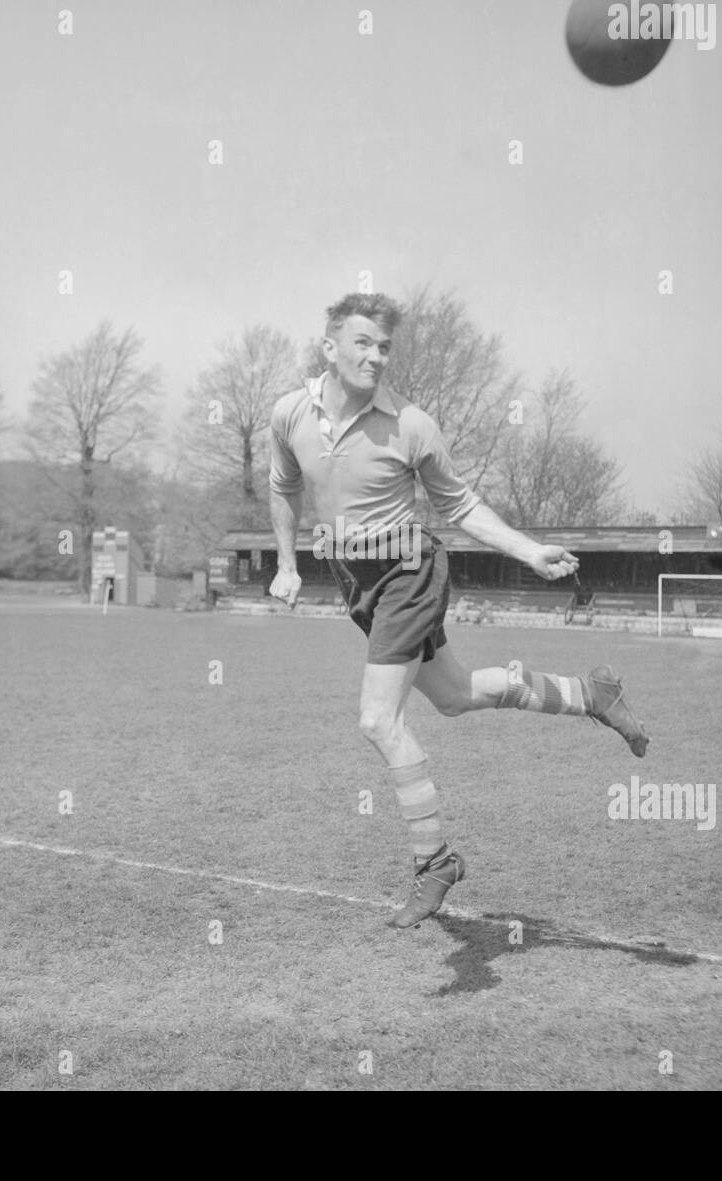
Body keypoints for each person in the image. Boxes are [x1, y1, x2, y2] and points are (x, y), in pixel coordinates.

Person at [268, 293, 649, 928]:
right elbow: (282, 487)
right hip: (354, 579)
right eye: (363, 343)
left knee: (376, 720)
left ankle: (435, 862)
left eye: (385, 346)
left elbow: (462, 506)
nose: (377, 356)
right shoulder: (288, 415)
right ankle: (593, 694)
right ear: (329, 348)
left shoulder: (412, 425)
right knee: (454, 695)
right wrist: (285, 564)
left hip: (407, 570)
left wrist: (529, 552)